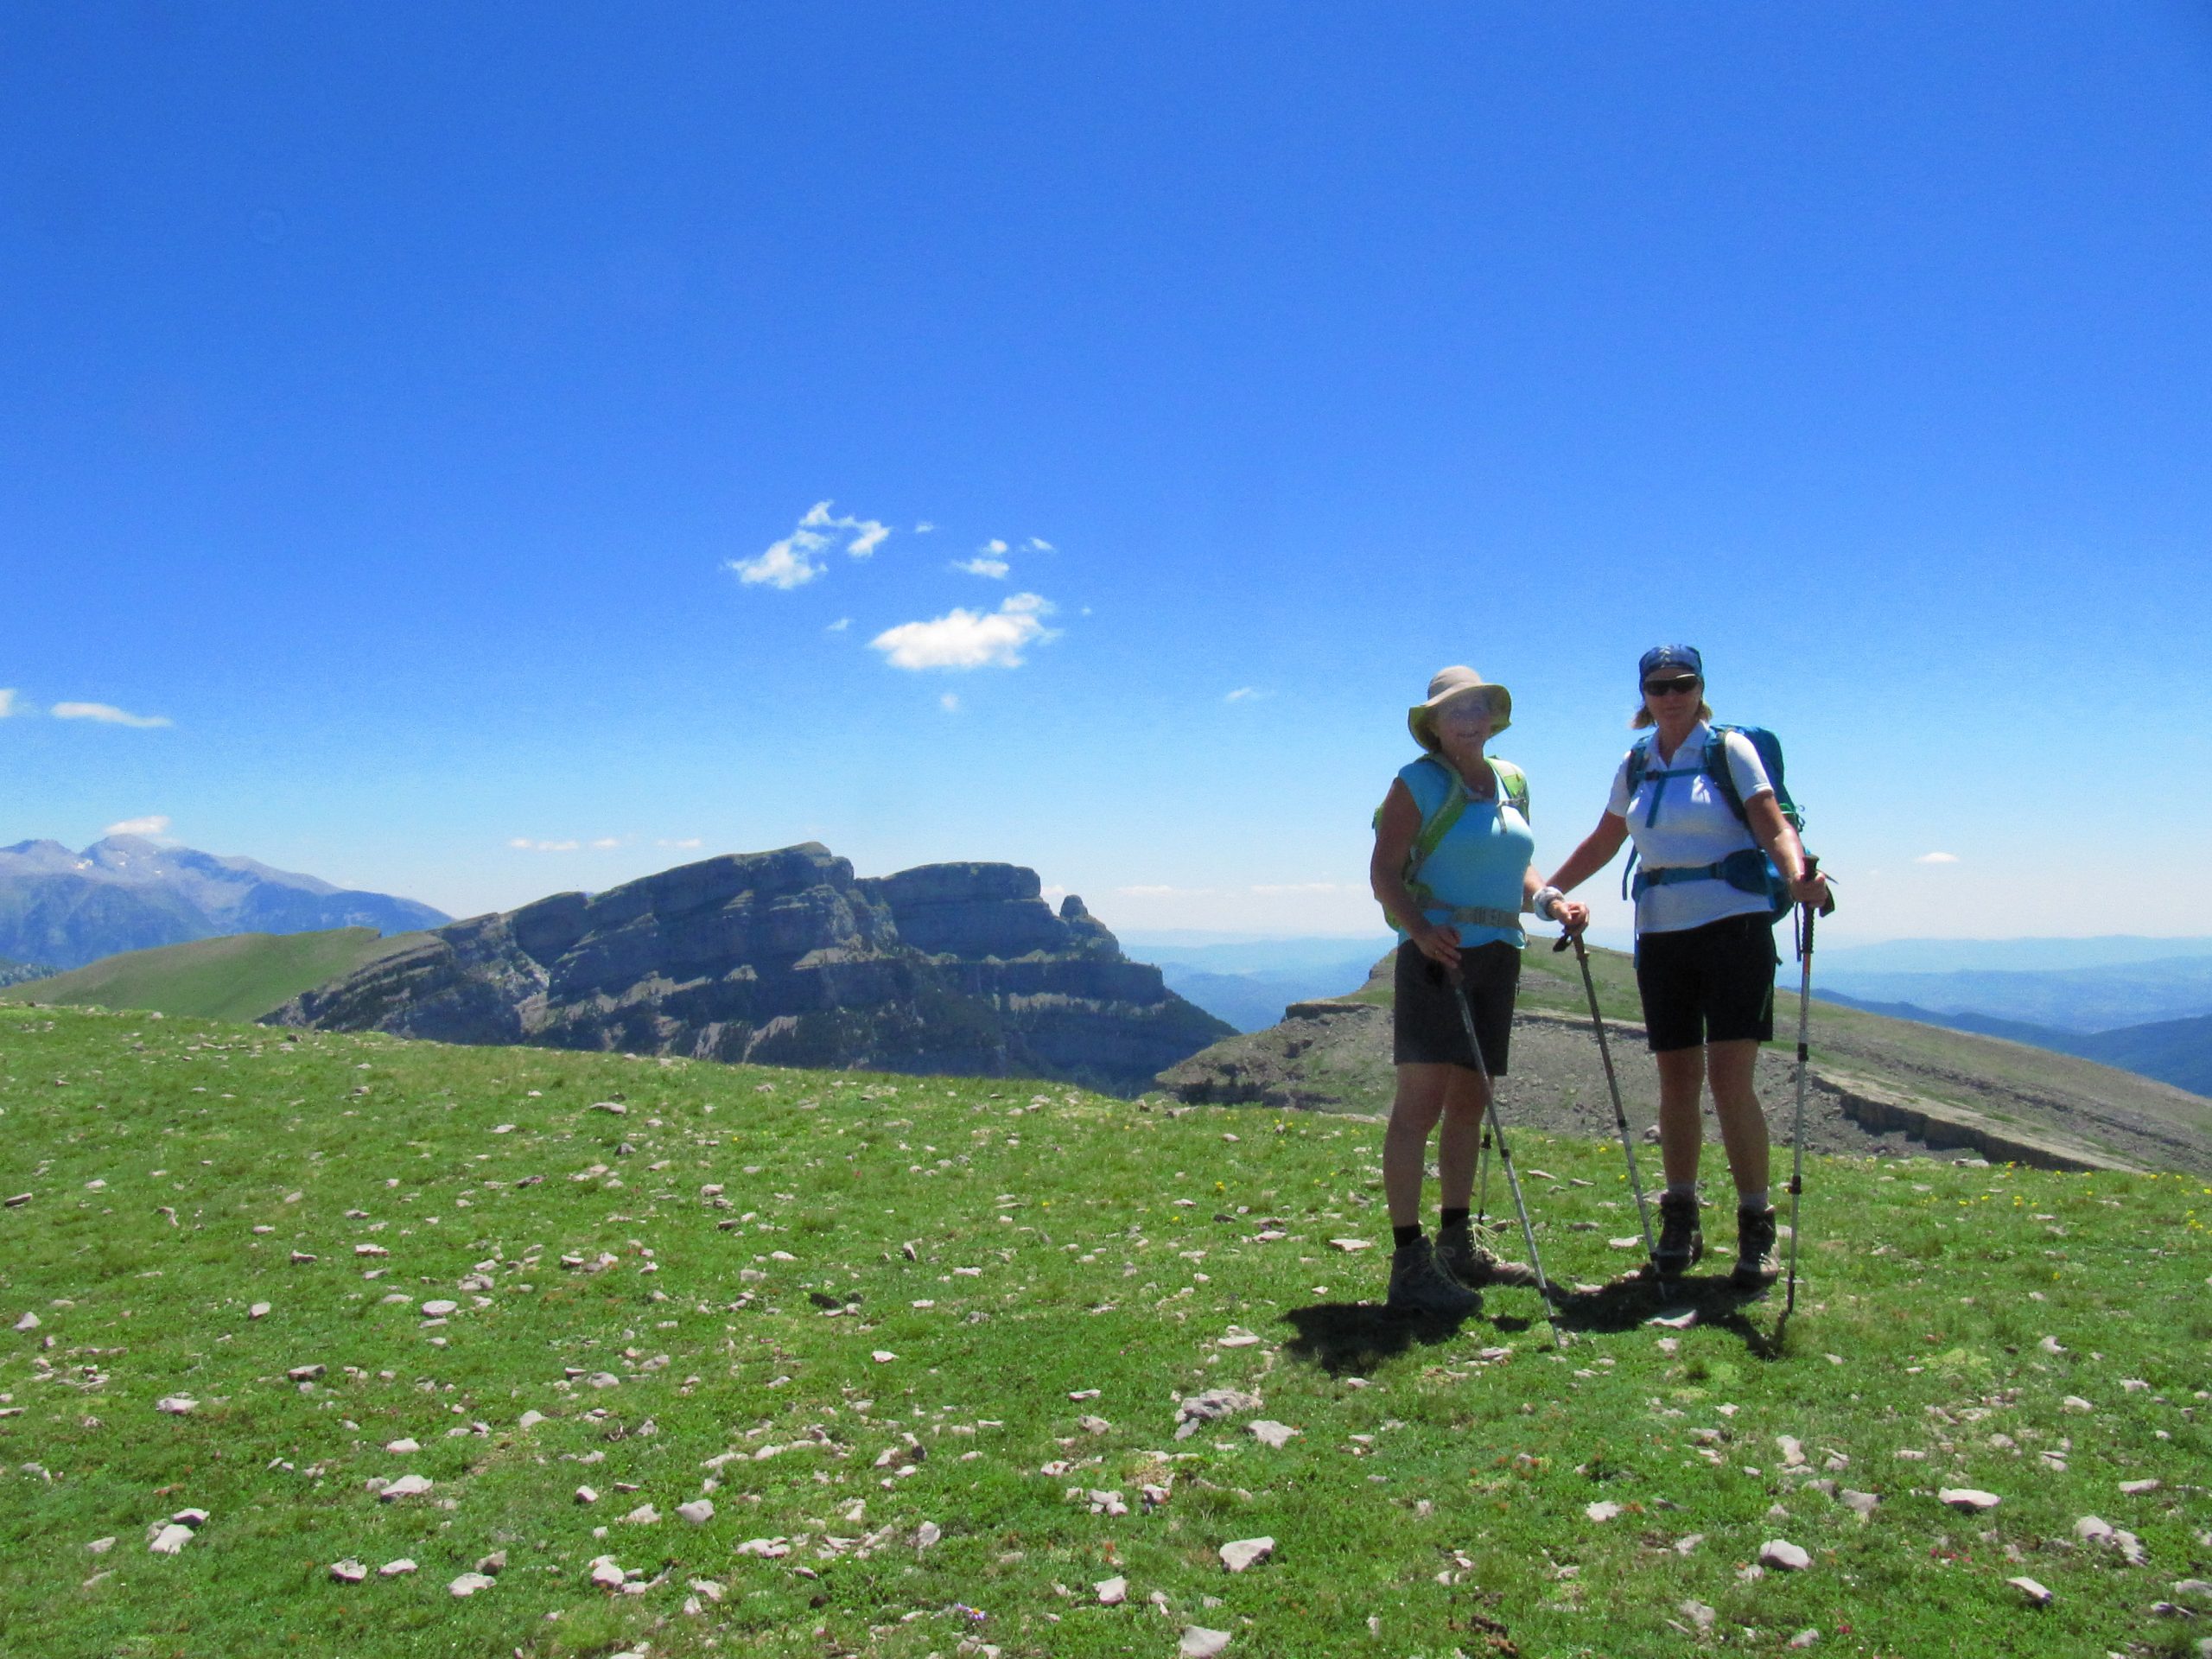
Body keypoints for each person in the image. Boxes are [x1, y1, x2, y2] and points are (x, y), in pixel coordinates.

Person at [1535, 645, 1829, 1287]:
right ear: (1644, 694)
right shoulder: (1636, 762)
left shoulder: (1728, 751)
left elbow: (1770, 821)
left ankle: (1756, 1223)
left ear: (1700, 689)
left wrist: (1797, 871)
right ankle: (1681, 1214)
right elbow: (1608, 839)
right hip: (1661, 934)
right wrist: (1549, 893)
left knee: (1729, 1081)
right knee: (1676, 1081)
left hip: (1735, 927)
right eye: (1658, 686)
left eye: (1683, 683)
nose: (1670, 695)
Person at [1368, 665, 1545, 1315]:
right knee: (1421, 1104)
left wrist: (1549, 899)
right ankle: (1409, 1259)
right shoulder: (1416, 783)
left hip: (1498, 953)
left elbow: (1516, 864)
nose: (1468, 720)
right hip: (1438, 955)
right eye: (1454, 712)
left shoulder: (1511, 782)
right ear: (1434, 726)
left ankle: (1457, 1242)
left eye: (1476, 708)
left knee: (1471, 1101)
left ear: (1492, 716)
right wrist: (1419, 931)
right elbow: (1384, 874)